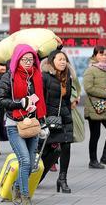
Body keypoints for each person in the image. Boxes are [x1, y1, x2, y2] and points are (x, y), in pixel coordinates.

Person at [0, 44, 48, 205]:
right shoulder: (9, 77)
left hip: (32, 124)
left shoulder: (36, 76)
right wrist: (21, 103)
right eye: (24, 59)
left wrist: (42, 120)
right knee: (25, 160)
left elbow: (41, 99)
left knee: (31, 163)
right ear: (17, 59)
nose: (28, 62)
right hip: (14, 124)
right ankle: (25, 197)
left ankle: (17, 187)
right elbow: (0, 101)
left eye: (31, 59)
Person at [40, 50, 74, 193]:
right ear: (52, 61)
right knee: (45, 150)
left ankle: (62, 179)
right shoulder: (45, 77)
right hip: (49, 118)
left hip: (64, 118)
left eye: (64, 59)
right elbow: (41, 99)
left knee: (66, 147)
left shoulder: (68, 78)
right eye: (59, 59)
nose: (62, 62)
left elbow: (66, 100)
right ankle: (36, 176)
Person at [83, 45, 106, 169]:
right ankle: (93, 160)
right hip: (94, 107)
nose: (104, 57)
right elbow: (88, 88)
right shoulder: (90, 70)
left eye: (105, 54)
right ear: (95, 56)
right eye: (101, 54)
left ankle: (105, 157)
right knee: (95, 134)